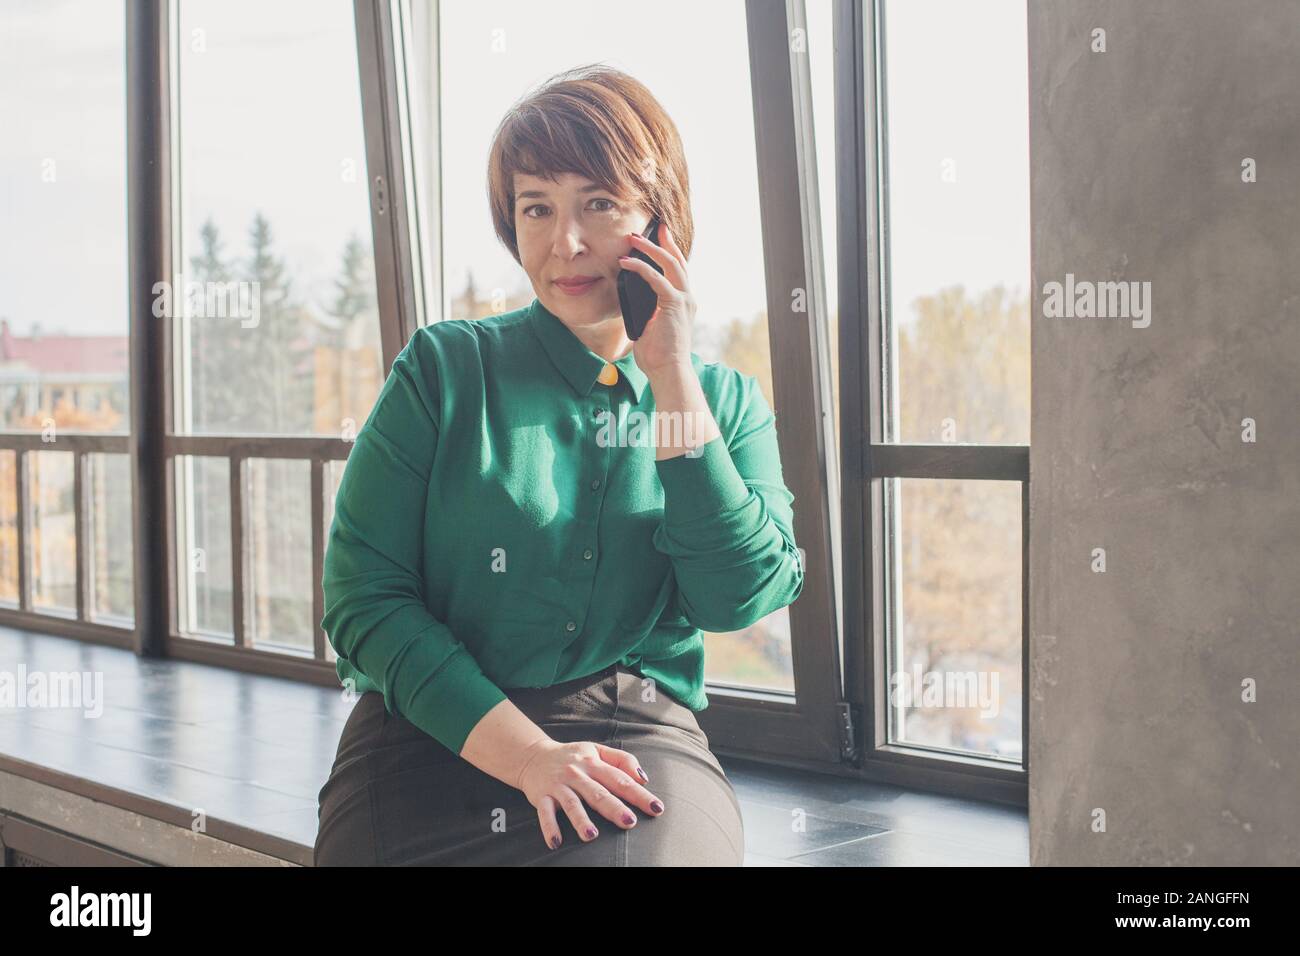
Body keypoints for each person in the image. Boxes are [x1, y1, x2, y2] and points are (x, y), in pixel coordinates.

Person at [314, 63, 804, 865]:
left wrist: (672, 375)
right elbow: (363, 602)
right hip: (434, 727)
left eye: (598, 204)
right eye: (535, 207)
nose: (564, 243)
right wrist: (531, 759)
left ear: (661, 221)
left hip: (632, 732)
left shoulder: (727, 401)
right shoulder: (443, 371)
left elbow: (735, 595)